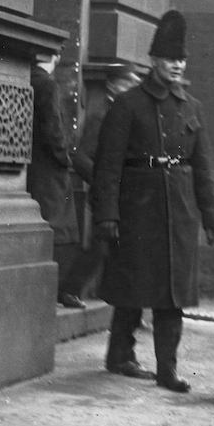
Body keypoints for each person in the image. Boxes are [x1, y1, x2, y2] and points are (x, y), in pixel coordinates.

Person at [91, 10, 214, 392]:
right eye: (170, 59)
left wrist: (212, 218)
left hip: (179, 213)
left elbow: (204, 167)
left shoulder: (192, 107)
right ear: (154, 61)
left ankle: (167, 370)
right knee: (131, 289)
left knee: (172, 295)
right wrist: (107, 216)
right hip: (137, 209)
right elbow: (108, 166)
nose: (177, 65)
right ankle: (120, 354)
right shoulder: (128, 104)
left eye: (182, 60)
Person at [66, 63, 143, 301]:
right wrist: (103, 180)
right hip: (106, 194)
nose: (133, 88)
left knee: (119, 248)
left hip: (123, 194)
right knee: (101, 246)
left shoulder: (126, 114)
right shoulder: (102, 116)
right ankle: (69, 289)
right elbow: (80, 157)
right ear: (112, 85)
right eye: (128, 82)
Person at [28, 49, 83, 309]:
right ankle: (56, 290)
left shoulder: (26, 78)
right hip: (51, 170)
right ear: (56, 57)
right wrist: (65, 158)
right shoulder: (47, 84)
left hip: (32, 167)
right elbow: (53, 128)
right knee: (63, 231)